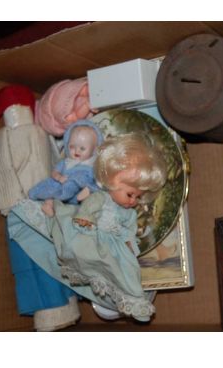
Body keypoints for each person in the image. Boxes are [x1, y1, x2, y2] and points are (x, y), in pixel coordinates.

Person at [0, 84, 80, 331]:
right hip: (23, 207)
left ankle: (69, 302)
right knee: (34, 258)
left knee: (57, 252)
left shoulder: (41, 134)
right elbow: (2, 171)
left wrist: (64, 187)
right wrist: (10, 203)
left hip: (49, 201)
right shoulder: (6, 137)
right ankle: (50, 312)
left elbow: (54, 159)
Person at [51, 132, 167, 321]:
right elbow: (88, 209)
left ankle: (134, 302)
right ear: (113, 181)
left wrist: (130, 245)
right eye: (130, 194)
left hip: (116, 246)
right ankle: (112, 294)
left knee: (128, 270)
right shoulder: (101, 198)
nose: (133, 201)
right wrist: (85, 219)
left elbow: (129, 231)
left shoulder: (129, 213)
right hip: (94, 236)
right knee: (85, 253)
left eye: (137, 197)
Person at [28, 120, 104, 216]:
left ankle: (85, 207)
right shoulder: (65, 162)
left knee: (95, 192)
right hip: (62, 186)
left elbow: (98, 181)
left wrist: (89, 188)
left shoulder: (92, 166)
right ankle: (48, 205)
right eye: (72, 147)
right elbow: (54, 172)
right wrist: (59, 177)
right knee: (50, 190)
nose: (76, 151)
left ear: (94, 149)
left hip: (79, 192)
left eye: (82, 148)